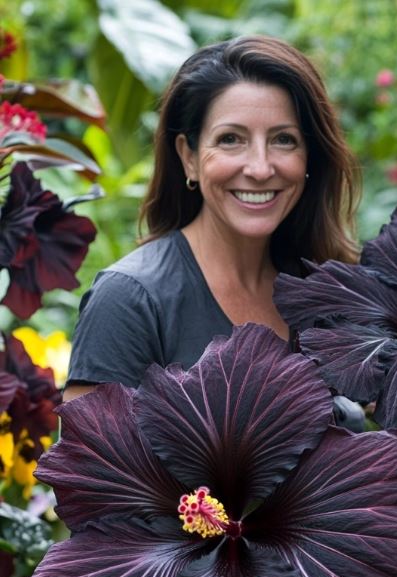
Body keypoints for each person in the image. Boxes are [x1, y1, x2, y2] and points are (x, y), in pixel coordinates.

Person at [64, 35, 365, 428]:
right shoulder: (129, 301)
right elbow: (91, 479)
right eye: (230, 140)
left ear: (309, 157)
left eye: (283, 140)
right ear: (188, 157)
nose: (259, 167)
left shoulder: (326, 295)